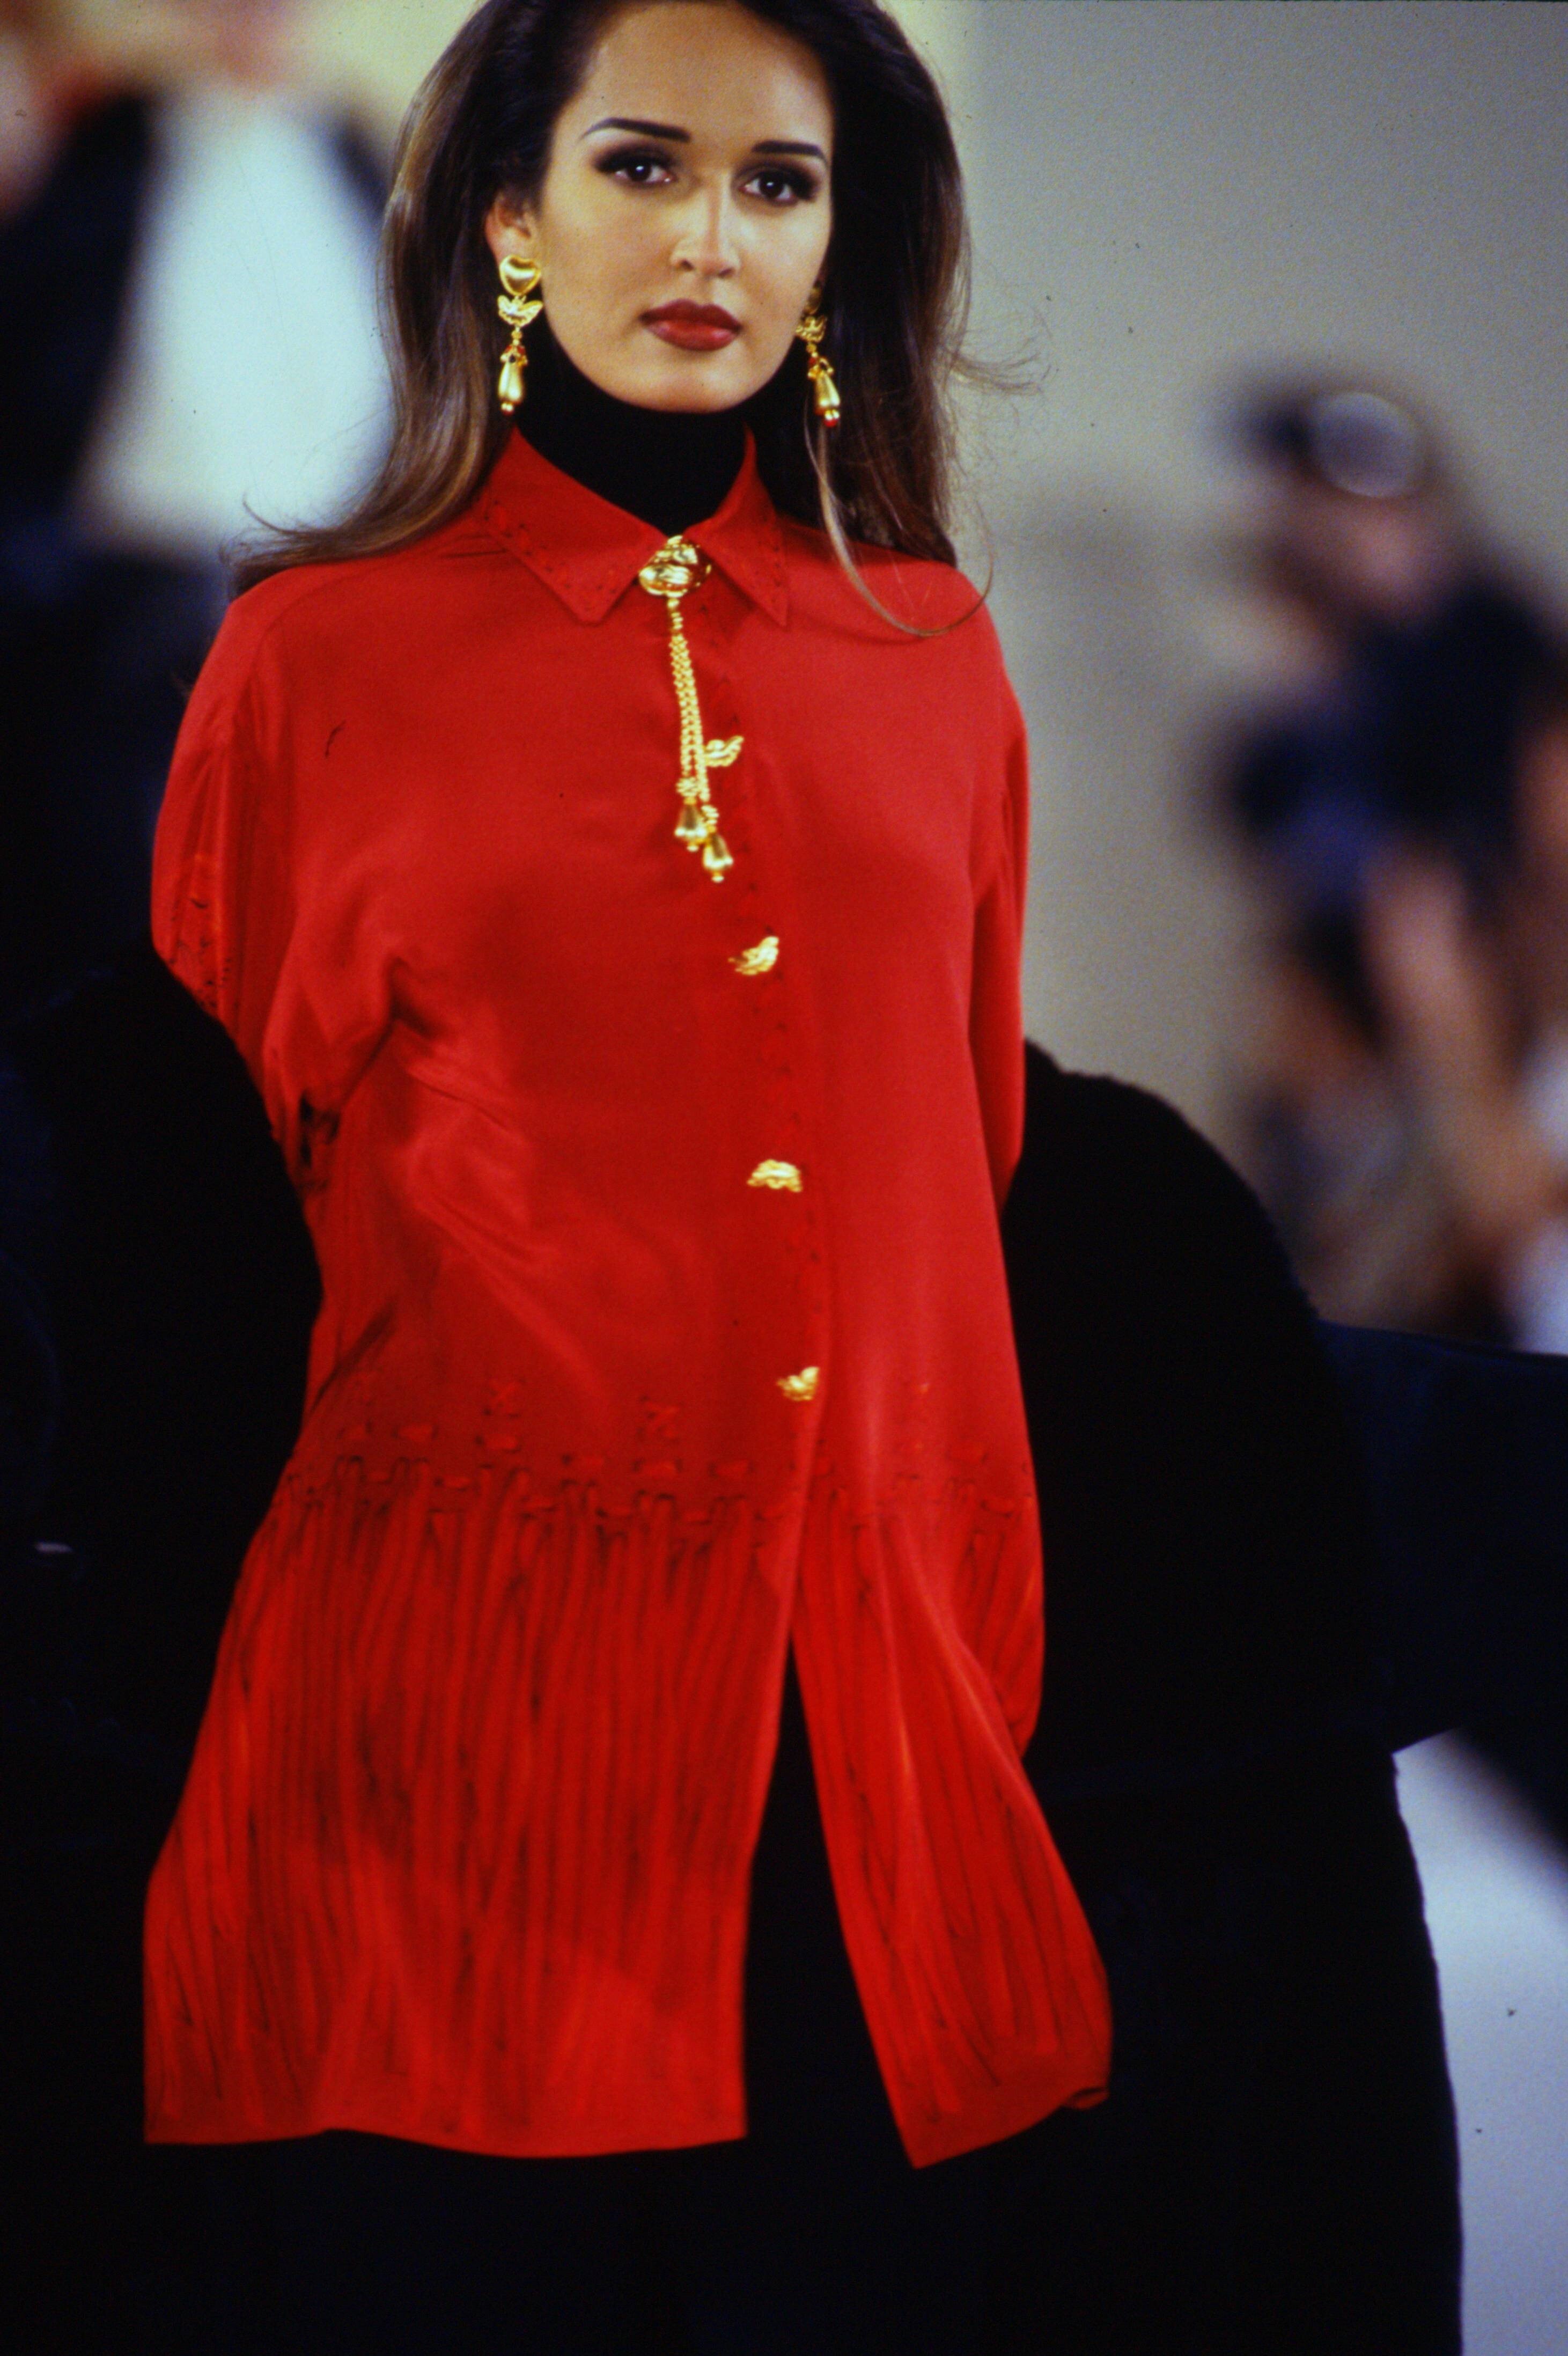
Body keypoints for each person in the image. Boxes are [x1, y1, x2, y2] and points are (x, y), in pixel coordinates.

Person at [126, 0, 1110, 2344]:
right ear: (509, 213)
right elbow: (203, 1230)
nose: (710, 241)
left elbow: (961, 1166)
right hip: (432, 1760)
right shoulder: (312, 661)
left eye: (777, 186)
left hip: (874, 1747)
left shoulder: (935, 654)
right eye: (642, 166)